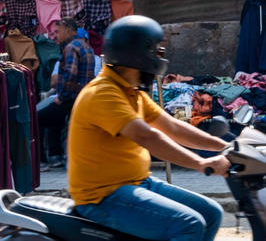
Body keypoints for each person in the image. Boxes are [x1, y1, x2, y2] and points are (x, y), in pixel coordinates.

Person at [68, 15, 230, 241]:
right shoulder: (103, 93)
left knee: (211, 213)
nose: (159, 57)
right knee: (188, 225)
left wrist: (226, 147)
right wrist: (201, 163)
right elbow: (148, 136)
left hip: (137, 182)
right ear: (136, 55)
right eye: (155, 51)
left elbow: (172, 127)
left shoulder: (130, 91)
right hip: (103, 196)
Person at [38, 17, 96, 170]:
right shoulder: (86, 47)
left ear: (67, 29)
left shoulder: (71, 47)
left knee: (35, 117)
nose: (55, 35)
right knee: (51, 117)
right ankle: (55, 155)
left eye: (57, 31)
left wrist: (61, 97)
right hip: (81, 98)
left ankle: (41, 161)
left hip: (71, 99)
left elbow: (70, 74)